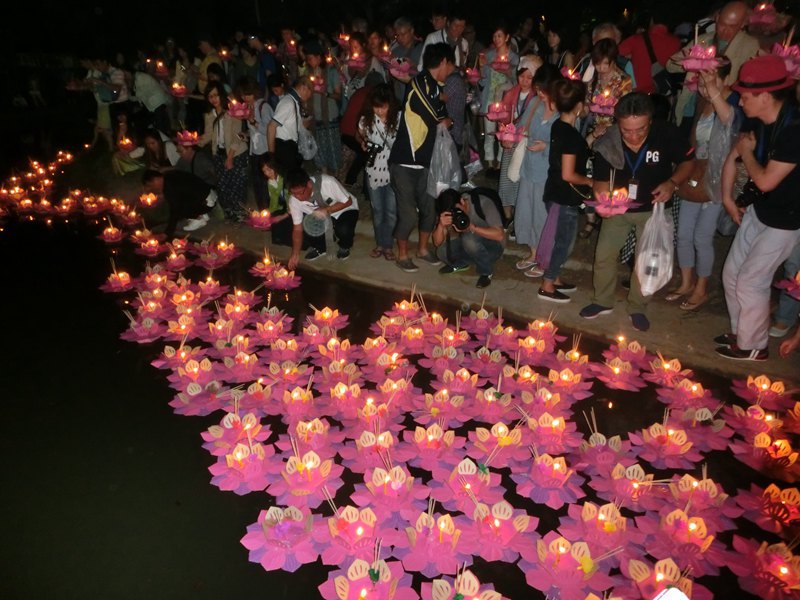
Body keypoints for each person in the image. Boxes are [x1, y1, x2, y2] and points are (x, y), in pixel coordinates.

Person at [579, 92, 694, 332]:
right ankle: (602, 300)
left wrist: (672, 183)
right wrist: (604, 202)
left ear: (650, 121)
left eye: (639, 129)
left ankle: (638, 306)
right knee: (604, 255)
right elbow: (600, 181)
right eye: (626, 130)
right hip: (619, 209)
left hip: (653, 209)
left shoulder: (666, 133)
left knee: (646, 261)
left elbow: (688, 162)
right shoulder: (609, 140)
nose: (632, 136)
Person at [716, 55, 800, 361]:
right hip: (759, 210)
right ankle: (742, 334)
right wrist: (727, 198)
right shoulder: (757, 119)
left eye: (745, 96)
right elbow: (733, 157)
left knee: (752, 280)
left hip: (786, 220)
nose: (740, 102)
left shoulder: (794, 129)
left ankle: (755, 345)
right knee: (731, 274)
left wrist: (748, 153)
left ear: (765, 96)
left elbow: (765, 180)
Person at [666, 63, 739, 311]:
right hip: (696, 175)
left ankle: (702, 287)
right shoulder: (701, 102)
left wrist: (713, 91)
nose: (705, 85)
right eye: (701, 79)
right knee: (684, 232)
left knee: (702, 236)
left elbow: (730, 121)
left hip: (718, 180)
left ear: (726, 78)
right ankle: (686, 283)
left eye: (711, 79)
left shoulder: (733, 102)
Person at [388, 42, 455, 273]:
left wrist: (447, 118)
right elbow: (435, 117)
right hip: (405, 161)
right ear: (444, 62)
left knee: (428, 208)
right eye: (452, 64)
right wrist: (445, 119)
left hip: (426, 161)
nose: (453, 69)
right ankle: (402, 255)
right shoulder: (419, 83)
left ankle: (423, 249)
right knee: (407, 213)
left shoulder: (436, 87)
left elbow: (445, 117)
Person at [538, 79, 591, 303]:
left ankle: (555, 277)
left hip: (556, 191)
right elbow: (569, 174)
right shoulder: (569, 133)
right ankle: (547, 285)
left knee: (560, 238)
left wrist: (591, 138)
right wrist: (591, 182)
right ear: (578, 106)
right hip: (564, 195)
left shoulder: (560, 126)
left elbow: (571, 153)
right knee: (564, 242)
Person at [667, 1, 757, 127]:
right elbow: (670, 65)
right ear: (717, 18)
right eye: (722, 24)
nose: (725, 31)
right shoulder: (703, 39)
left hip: (720, 109)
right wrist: (690, 61)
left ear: (742, 24)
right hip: (691, 107)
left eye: (732, 26)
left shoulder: (750, 46)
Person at [579, 38, 632, 239]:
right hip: (593, 133)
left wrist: (609, 120)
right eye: (597, 63)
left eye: (604, 64)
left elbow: (627, 111)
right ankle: (591, 218)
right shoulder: (593, 78)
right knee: (590, 177)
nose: (601, 68)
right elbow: (585, 108)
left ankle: (611, 217)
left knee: (609, 179)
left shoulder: (623, 80)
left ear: (613, 61)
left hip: (613, 136)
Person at [514, 64, 561, 278]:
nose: (540, 94)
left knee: (544, 215)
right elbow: (520, 128)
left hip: (549, 171)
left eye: (543, 90)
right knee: (527, 210)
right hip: (529, 167)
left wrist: (547, 146)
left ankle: (545, 259)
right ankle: (534, 253)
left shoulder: (565, 108)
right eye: (538, 90)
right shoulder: (535, 103)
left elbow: (569, 143)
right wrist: (509, 136)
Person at [285, 168, 359, 270]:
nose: (298, 197)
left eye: (300, 192)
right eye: (293, 193)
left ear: (309, 184)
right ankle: (321, 247)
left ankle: (345, 245)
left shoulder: (328, 182)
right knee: (307, 226)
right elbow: (297, 228)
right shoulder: (294, 200)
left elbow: (348, 202)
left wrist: (327, 209)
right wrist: (295, 253)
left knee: (343, 229)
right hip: (319, 215)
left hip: (343, 209)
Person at [497, 56, 541, 223]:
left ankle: (519, 216)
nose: (524, 81)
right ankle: (506, 215)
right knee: (506, 179)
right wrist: (503, 134)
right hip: (510, 142)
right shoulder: (510, 93)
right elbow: (502, 117)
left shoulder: (537, 97)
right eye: (522, 76)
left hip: (525, 143)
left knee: (521, 180)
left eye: (529, 78)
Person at [432, 188, 505, 288]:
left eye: (458, 210)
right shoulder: (450, 212)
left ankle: (486, 272)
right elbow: (437, 243)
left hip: (493, 247)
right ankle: (462, 264)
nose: (457, 215)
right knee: (441, 251)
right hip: (470, 245)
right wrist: (441, 225)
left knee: (468, 239)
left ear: (462, 201)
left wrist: (472, 227)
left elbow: (499, 235)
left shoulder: (483, 203)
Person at [358, 83, 399, 260]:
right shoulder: (366, 120)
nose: (380, 111)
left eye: (383, 107)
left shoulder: (398, 118)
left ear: (390, 104)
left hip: (392, 170)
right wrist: (363, 142)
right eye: (377, 107)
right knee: (378, 210)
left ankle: (388, 245)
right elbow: (359, 135)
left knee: (391, 211)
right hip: (373, 170)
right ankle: (380, 244)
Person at [197, 81, 248, 221]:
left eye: (216, 95)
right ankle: (230, 213)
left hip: (236, 153)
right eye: (210, 96)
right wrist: (193, 142)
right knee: (223, 185)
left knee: (236, 184)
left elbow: (238, 136)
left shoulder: (233, 111)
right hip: (219, 153)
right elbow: (208, 135)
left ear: (222, 95)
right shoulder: (209, 114)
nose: (213, 99)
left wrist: (230, 157)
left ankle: (240, 214)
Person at [479, 22, 520, 174]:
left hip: (507, 100)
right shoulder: (488, 55)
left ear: (507, 37)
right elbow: (482, 81)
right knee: (490, 132)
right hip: (490, 98)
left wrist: (506, 70)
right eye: (494, 36)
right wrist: (482, 67)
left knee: (504, 132)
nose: (496, 39)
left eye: (500, 36)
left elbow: (517, 81)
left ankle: (501, 164)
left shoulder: (514, 58)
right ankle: (490, 163)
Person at [301, 41, 343, 175]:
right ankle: (324, 175)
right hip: (315, 116)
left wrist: (325, 92)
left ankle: (336, 175)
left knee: (332, 147)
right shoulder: (308, 73)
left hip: (329, 115)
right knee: (319, 148)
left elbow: (338, 95)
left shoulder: (331, 72)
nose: (308, 61)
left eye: (311, 58)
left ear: (319, 57)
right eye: (307, 59)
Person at [618, 9, 680, 94]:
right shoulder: (676, 42)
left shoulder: (636, 39)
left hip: (640, 94)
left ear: (651, 21)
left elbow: (615, 53)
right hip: (665, 94)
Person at [141, 169, 217, 236]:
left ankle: (199, 219)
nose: (152, 188)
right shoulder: (169, 175)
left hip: (206, 203)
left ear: (156, 179)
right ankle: (202, 213)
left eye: (151, 185)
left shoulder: (169, 187)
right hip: (210, 194)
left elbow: (175, 210)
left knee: (179, 209)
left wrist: (167, 233)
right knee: (180, 202)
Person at [268, 76, 314, 175]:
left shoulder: (294, 101)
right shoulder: (288, 103)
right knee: (289, 179)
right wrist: (271, 155)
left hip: (290, 147)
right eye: (311, 91)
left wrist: (301, 126)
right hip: (284, 148)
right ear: (303, 88)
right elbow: (271, 126)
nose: (310, 95)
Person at [242, 81, 273, 211]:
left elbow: (269, 130)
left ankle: (270, 211)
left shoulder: (263, 107)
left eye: (248, 94)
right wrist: (246, 134)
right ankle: (263, 212)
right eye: (243, 95)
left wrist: (254, 122)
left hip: (265, 151)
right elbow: (255, 132)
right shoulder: (248, 107)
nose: (245, 98)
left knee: (266, 184)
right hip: (254, 151)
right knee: (257, 184)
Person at [258, 153, 292, 246]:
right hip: (282, 206)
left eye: (269, 169)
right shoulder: (269, 182)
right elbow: (272, 202)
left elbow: (293, 203)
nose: (267, 173)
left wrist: (283, 216)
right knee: (274, 221)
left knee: (287, 225)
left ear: (275, 166)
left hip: (293, 207)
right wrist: (266, 213)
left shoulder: (286, 179)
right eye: (264, 171)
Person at [389, 17, 423, 102]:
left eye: (403, 34)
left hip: (417, 98)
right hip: (400, 99)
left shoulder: (422, 49)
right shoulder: (395, 51)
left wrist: (414, 65)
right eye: (397, 35)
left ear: (411, 31)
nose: (400, 38)